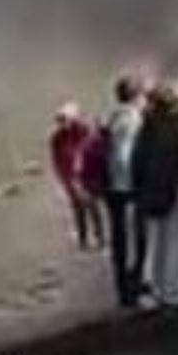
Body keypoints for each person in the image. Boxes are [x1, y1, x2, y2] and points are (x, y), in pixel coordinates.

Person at [133, 82, 178, 310]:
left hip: (151, 192)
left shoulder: (148, 126)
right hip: (175, 191)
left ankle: (154, 289)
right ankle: (174, 292)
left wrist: (138, 189)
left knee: (155, 243)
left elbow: (138, 160)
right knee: (177, 244)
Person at [100, 76, 147, 308]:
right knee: (137, 239)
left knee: (120, 240)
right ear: (136, 95)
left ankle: (123, 288)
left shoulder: (111, 117)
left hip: (112, 188)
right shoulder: (134, 119)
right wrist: (137, 180)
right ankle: (134, 288)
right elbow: (125, 156)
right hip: (129, 187)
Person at [48, 104, 105, 250]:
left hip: (86, 176)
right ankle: (83, 238)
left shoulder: (84, 131)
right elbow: (56, 160)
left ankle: (99, 237)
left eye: (64, 120)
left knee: (92, 205)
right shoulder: (57, 138)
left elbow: (92, 152)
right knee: (77, 207)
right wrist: (64, 180)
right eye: (60, 121)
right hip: (70, 177)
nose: (62, 124)